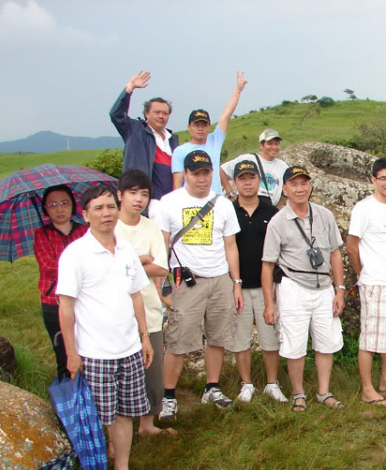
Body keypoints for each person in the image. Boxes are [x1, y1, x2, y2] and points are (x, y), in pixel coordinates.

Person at [57, 185, 158, 470]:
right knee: (96, 421)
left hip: (128, 348)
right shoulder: (75, 254)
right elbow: (66, 307)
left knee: (125, 414)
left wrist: (144, 337)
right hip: (94, 353)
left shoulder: (126, 249)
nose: (106, 213)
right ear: (84, 214)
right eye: (98, 208)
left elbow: (136, 295)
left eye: (110, 206)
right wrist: (72, 354)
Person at [158, 150, 243, 420]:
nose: (202, 179)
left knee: (218, 337)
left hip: (219, 279)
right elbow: (162, 243)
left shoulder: (224, 204)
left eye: (206, 172)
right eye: (196, 173)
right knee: (177, 340)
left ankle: (212, 387)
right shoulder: (169, 203)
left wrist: (236, 283)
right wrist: (163, 284)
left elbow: (231, 246)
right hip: (186, 280)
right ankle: (168, 396)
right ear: (185, 174)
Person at [261, 166, 346, 412]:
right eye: (294, 184)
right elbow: (267, 265)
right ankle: (298, 394)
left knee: (326, 341)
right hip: (293, 287)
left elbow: (335, 253)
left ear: (310, 186)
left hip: (324, 287)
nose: (300, 188)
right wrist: (270, 303)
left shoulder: (324, 215)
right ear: (285, 189)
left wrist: (339, 290)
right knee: (294, 344)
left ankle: (323, 392)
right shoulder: (278, 222)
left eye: (304, 183)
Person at [115, 169, 174, 437]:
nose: (138, 199)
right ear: (120, 195)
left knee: (153, 371)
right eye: (133, 193)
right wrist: (141, 260)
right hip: (116, 313)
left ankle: (148, 423)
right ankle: (118, 425)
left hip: (149, 308)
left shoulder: (151, 227)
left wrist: (129, 263)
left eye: (145, 194)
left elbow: (162, 268)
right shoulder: (110, 227)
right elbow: (110, 268)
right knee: (120, 373)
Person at [346, 157, 386, 406]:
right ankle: (368, 389)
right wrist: (362, 273)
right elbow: (351, 246)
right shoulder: (364, 208)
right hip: (373, 282)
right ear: (373, 180)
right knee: (370, 338)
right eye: (383, 178)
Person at [227, 160, 288, 403]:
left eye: (252, 177)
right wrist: (234, 283)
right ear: (235, 182)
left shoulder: (272, 212)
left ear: (258, 181)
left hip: (267, 287)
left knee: (270, 338)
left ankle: (272, 384)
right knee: (240, 339)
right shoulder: (228, 211)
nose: (248, 182)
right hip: (238, 286)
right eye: (242, 178)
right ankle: (247, 384)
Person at [33, 185, 88, 380]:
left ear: (73, 206)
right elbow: (48, 265)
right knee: (63, 352)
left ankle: (91, 397)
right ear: (45, 209)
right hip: (53, 301)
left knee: (88, 349)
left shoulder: (85, 231)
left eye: (64, 203)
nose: (59, 208)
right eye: (53, 204)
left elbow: (91, 260)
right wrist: (79, 266)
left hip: (85, 299)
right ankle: (68, 399)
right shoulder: (41, 234)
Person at [109, 70, 179, 218]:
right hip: (144, 205)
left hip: (170, 205)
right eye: (157, 112)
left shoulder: (173, 140)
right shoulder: (135, 130)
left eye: (165, 113)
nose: (161, 116)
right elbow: (116, 115)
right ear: (147, 114)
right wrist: (129, 89)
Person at [171, 72, 248, 196]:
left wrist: (238, 90)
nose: (200, 128)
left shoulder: (215, 140)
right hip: (191, 201)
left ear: (209, 127)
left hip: (214, 199)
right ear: (189, 127)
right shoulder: (180, 151)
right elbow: (177, 183)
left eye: (204, 125)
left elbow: (226, 116)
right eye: (196, 125)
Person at [221, 129, 288, 205]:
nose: (274, 147)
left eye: (277, 144)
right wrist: (231, 194)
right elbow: (222, 170)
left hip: (270, 210)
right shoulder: (247, 159)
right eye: (270, 144)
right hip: (245, 207)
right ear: (261, 145)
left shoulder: (283, 166)